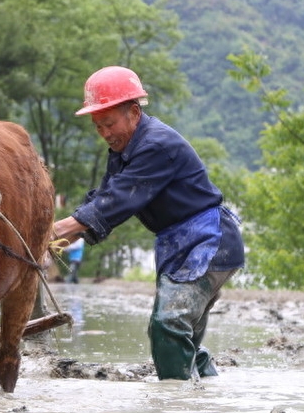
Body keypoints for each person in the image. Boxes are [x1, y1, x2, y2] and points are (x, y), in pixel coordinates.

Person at [52, 66, 244, 379]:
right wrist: (58, 238)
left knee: (168, 324)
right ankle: (204, 393)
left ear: (134, 112)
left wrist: (57, 230)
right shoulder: (123, 149)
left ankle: (173, 401)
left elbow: (118, 200)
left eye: (109, 123)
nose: (105, 133)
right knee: (180, 337)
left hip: (207, 241)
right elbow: (103, 196)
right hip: (180, 242)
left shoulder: (157, 145)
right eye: (98, 126)